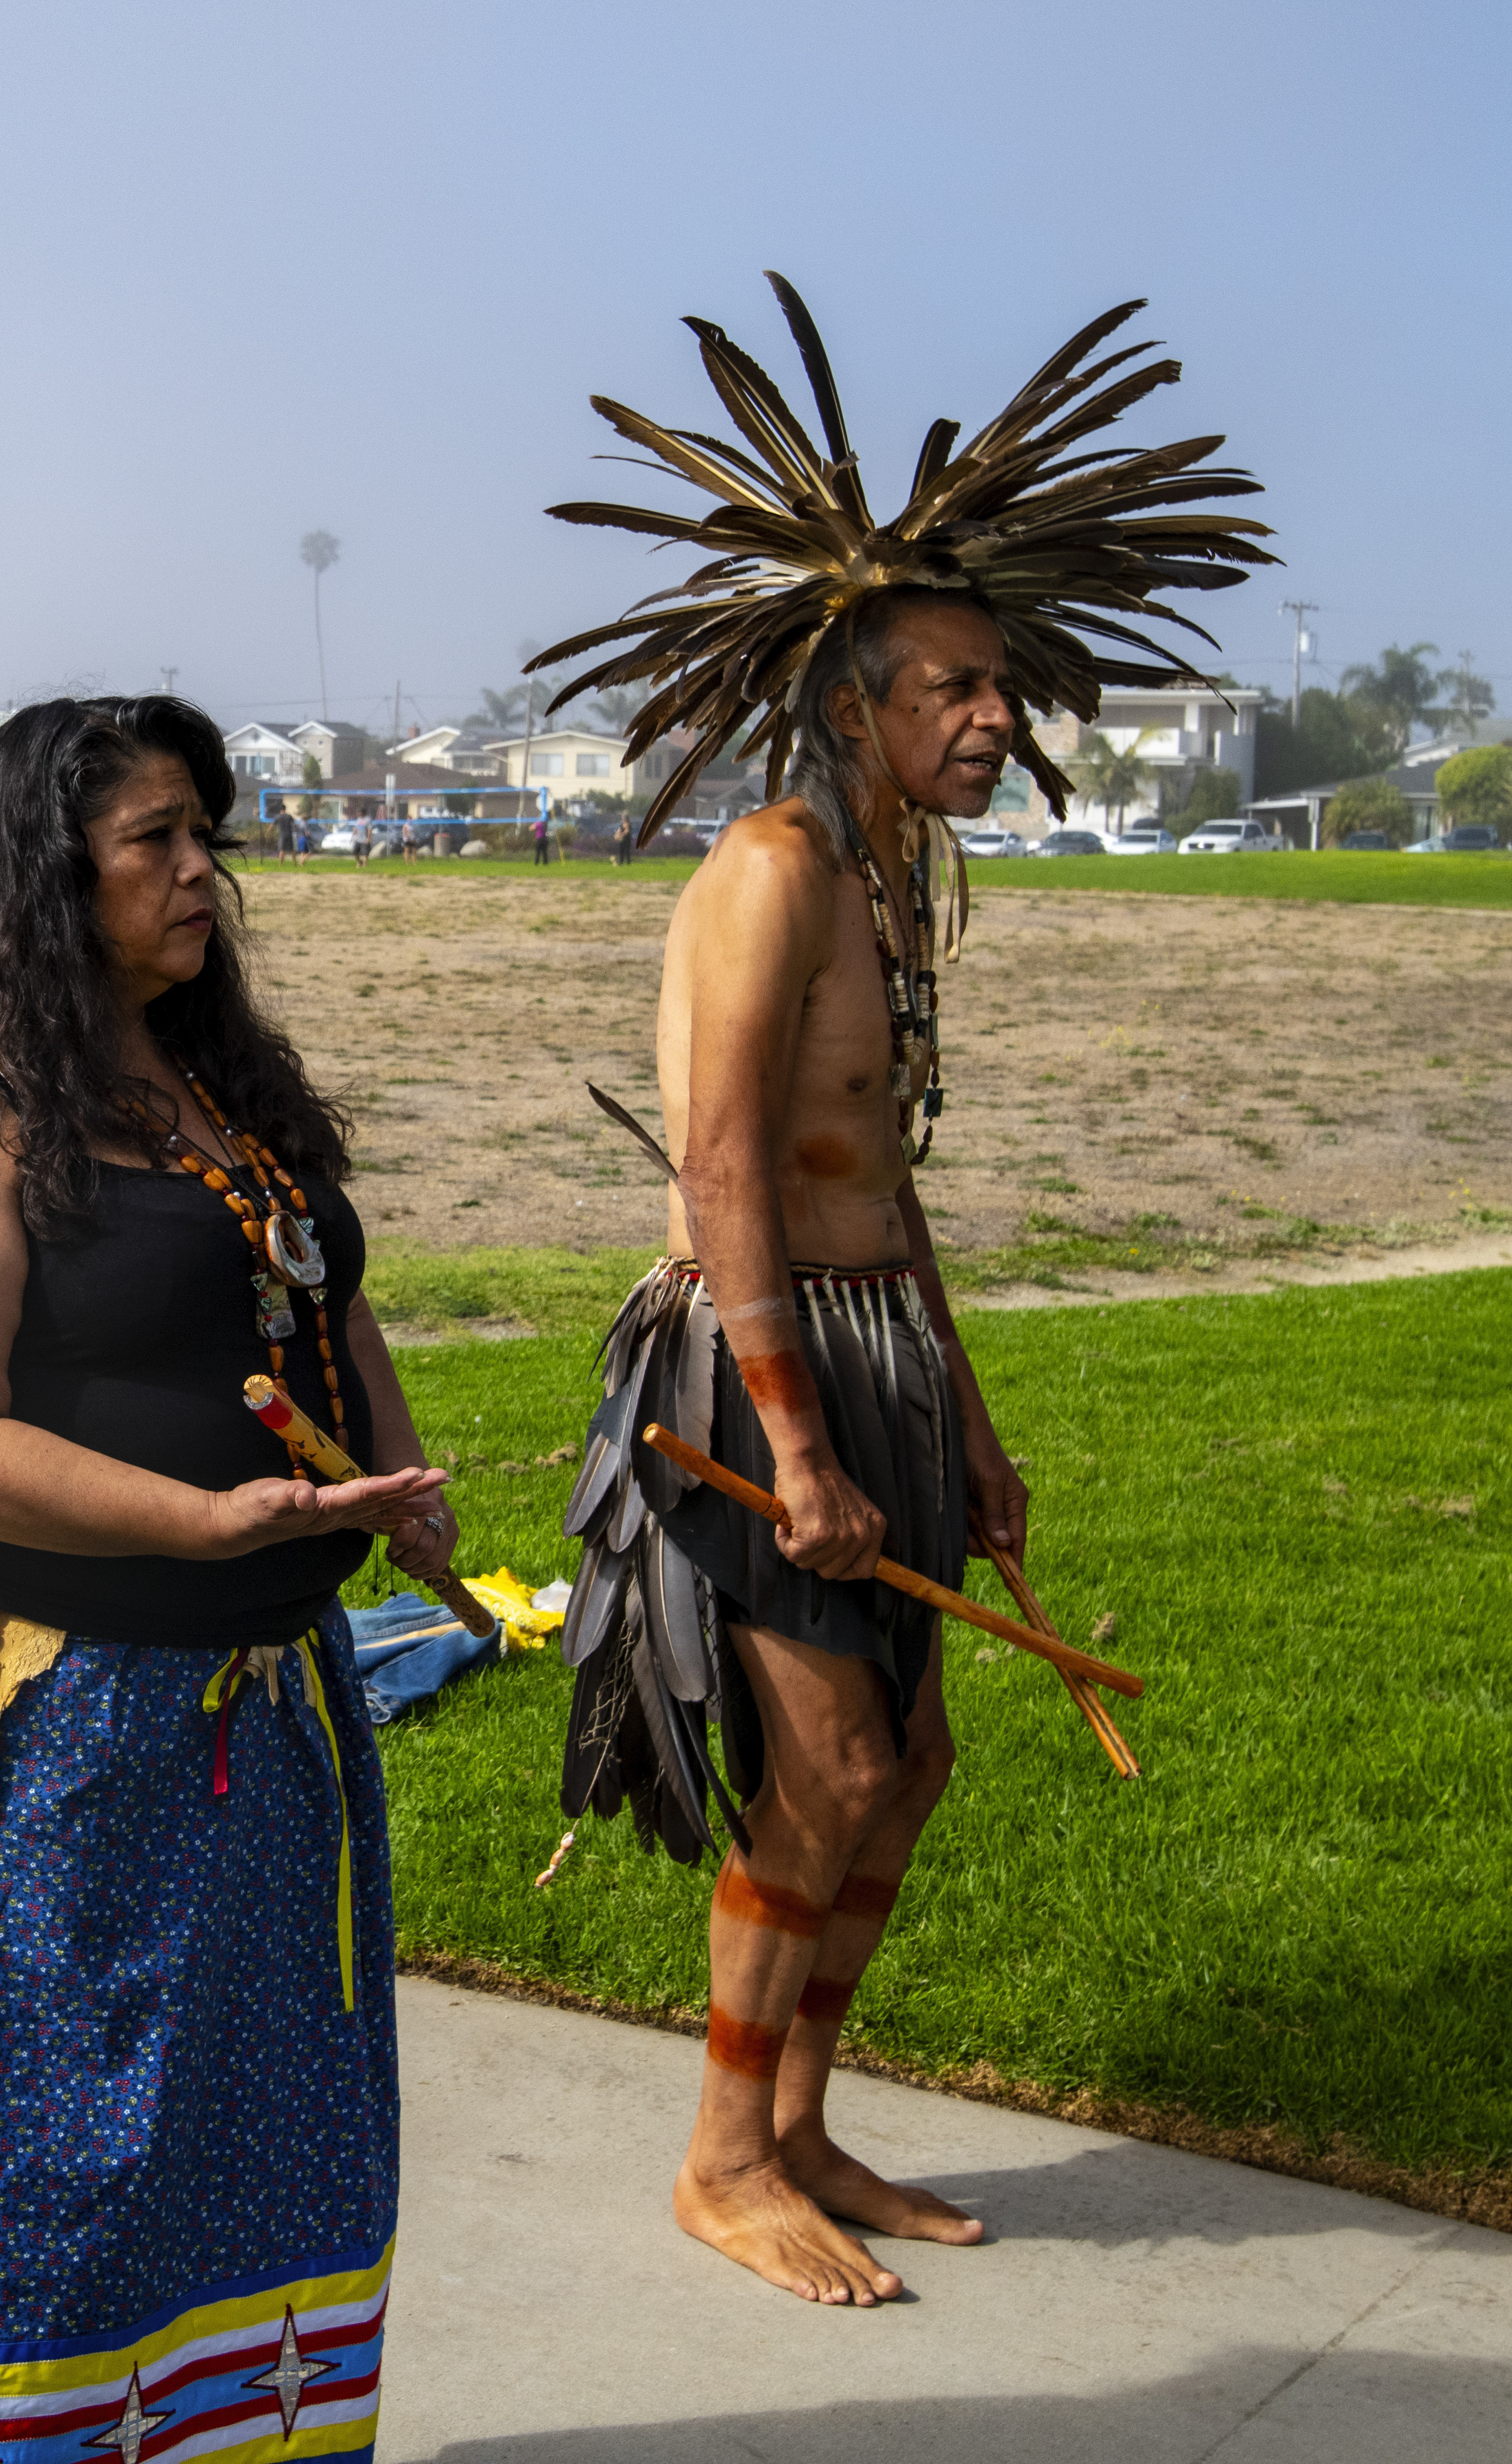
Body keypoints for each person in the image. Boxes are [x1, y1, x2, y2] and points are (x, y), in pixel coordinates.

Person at [526, 279, 1270, 2307]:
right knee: (831, 1767)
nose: (992, 721)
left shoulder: (883, 886)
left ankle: (802, 2121)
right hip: (747, 1366)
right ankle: (718, 2157)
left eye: (1001, 690)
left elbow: (890, 1189)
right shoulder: (771, 869)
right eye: (951, 687)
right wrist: (793, 1439)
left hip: (875, 1363)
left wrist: (971, 1430)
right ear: (854, 698)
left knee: (909, 1765)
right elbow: (725, 1169)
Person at [0, 697, 445, 2453]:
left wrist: (386, 1475)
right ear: (45, 878)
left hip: (258, 1742)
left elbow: (313, 1284)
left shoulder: (216, 1091)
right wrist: (197, 1524)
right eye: (157, 840)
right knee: (42, 2178)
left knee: (251, 2153)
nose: (203, 869)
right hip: (43, 1753)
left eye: (205, 831)